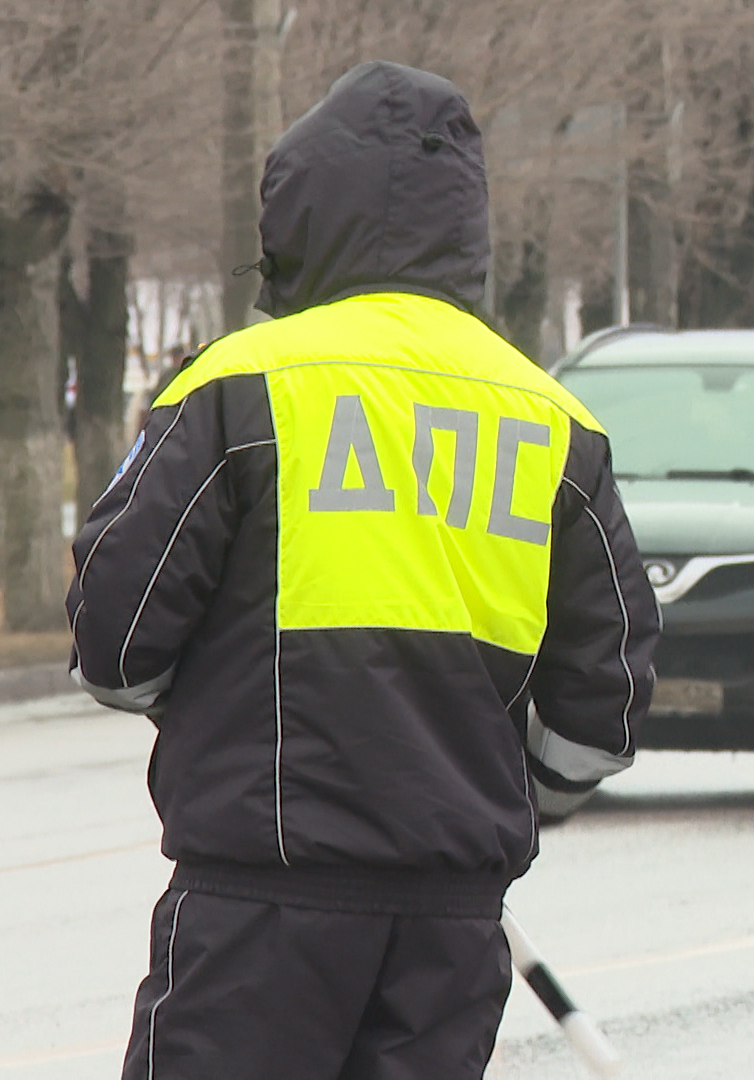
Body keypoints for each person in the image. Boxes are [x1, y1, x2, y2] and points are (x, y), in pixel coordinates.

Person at [67, 61, 659, 1080]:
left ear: (297, 214)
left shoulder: (238, 387)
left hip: (258, 908)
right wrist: (497, 801)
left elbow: (114, 644)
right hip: (450, 927)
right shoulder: (554, 421)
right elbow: (599, 708)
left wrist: (215, 706)